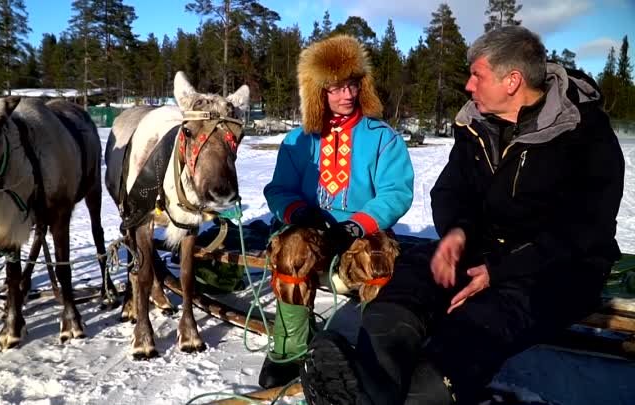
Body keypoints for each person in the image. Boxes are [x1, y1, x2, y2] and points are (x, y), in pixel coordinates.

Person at [298, 26, 625, 405]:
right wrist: (455, 233)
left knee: (482, 321)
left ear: (512, 81)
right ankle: (374, 382)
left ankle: (416, 392)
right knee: (409, 281)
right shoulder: (476, 124)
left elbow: (584, 231)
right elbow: (451, 190)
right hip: (481, 247)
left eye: (477, 75)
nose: (468, 85)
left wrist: (498, 272)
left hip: (559, 266)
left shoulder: (584, 135)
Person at [259, 34, 415, 388]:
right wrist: (298, 212)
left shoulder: (382, 137)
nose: (347, 95)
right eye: (335, 88)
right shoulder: (298, 140)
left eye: (352, 85)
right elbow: (279, 189)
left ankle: (375, 352)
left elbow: (396, 191)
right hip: (311, 229)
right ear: (317, 92)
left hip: (361, 231)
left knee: (377, 259)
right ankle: (291, 345)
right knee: (291, 251)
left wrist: (358, 226)